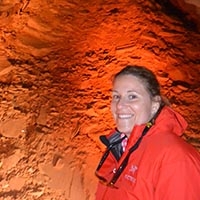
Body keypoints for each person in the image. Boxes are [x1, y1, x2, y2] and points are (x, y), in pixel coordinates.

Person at [95, 65, 200, 200]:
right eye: (116, 96)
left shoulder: (176, 159)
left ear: (154, 105)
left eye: (132, 96)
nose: (120, 105)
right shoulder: (119, 147)